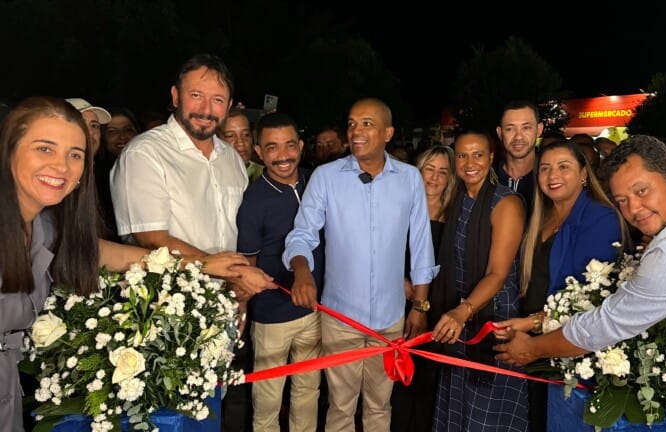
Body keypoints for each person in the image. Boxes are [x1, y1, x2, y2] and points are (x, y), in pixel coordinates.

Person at [0, 96, 252, 432]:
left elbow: (104, 254)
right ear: (9, 149)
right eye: (44, 149)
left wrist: (201, 264)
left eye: (75, 154)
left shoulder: (46, 226)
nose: (61, 166)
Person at [493, 135, 666, 431]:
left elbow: (604, 326)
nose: (634, 208)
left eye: (641, 190)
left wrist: (532, 349)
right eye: (622, 200)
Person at [283, 97, 438, 432]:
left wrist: (420, 306)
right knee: (340, 406)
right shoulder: (326, 177)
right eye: (352, 124)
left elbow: (421, 245)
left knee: (380, 406)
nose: (356, 131)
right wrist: (302, 271)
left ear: (387, 133)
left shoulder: (409, 178)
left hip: (390, 318)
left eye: (367, 123)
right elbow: (302, 234)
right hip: (341, 316)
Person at [110, 53, 275, 301]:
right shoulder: (145, 153)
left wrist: (238, 289)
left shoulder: (231, 158)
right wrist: (235, 274)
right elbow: (152, 239)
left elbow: (239, 229)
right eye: (196, 95)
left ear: (228, 106)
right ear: (176, 96)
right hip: (167, 305)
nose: (206, 110)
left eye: (217, 100)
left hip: (225, 300)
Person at [512, 139, 629, 431]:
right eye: (545, 168)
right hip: (535, 341)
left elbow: (588, 299)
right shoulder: (541, 215)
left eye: (563, 167)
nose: (553, 175)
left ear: (583, 174)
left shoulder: (599, 218)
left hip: (568, 346)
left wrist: (532, 323)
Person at [430, 131, 529, 432]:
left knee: (486, 414)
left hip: (491, 320)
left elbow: (498, 273)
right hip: (458, 317)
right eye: (462, 155)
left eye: (478, 155)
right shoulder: (457, 199)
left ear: (491, 157)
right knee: (458, 406)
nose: (470, 163)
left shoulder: (506, 203)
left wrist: (463, 311)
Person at [236, 112, 322, 432]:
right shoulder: (253, 200)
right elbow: (248, 264)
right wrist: (243, 308)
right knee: (268, 400)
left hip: (314, 310)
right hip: (271, 316)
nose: (283, 155)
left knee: (308, 392)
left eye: (290, 145)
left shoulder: (317, 183)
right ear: (259, 152)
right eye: (272, 148)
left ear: (301, 146)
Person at [390, 145, 457, 432]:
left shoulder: (456, 213)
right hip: (400, 301)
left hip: (440, 306)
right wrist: (397, 279)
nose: (434, 178)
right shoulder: (399, 207)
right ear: (417, 171)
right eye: (429, 169)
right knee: (398, 375)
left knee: (430, 378)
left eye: (442, 172)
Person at [94, 107, 141, 242]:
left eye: (128, 129)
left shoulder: (150, 168)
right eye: (112, 131)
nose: (122, 136)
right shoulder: (97, 176)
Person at [494, 100, 543, 220]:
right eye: (510, 129)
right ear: (500, 133)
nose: (518, 137)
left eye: (526, 128)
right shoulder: (488, 178)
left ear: (539, 130)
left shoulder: (550, 178)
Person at [217, 106, 263, 182]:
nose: (240, 143)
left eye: (246, 134)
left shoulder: (266, 175)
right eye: (230, 136)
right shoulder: (206, 175)